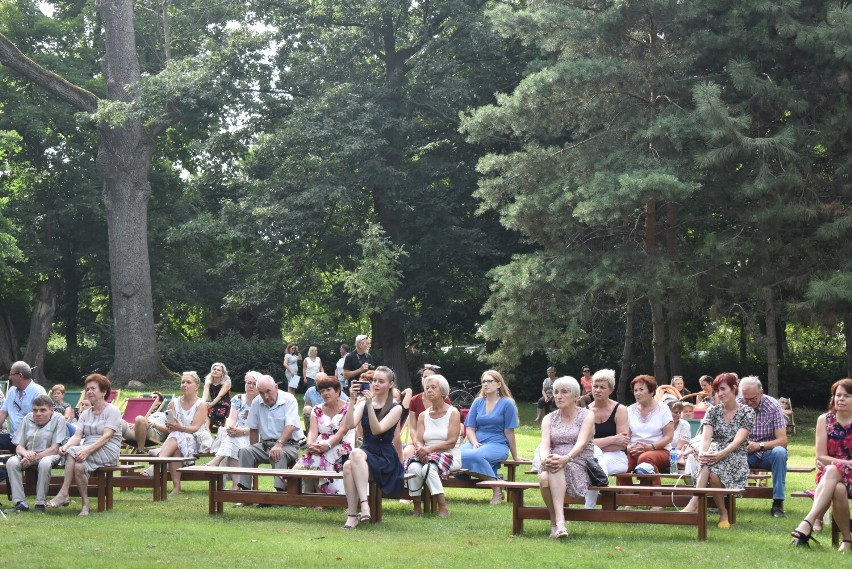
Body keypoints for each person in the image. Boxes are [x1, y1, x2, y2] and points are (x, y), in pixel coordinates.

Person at [682, 373, 754, 528]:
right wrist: (702, 452)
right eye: (716, 391)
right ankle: (722, 513)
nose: (719, 394)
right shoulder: (712, 411)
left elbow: (738, 441)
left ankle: (694, 503)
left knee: (711, 466)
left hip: (735, 455)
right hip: (714, 452)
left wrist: (720, 454)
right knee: (710, 466)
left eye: (723, 389)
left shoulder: (747, 412)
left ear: (734, 388)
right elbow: (706, 438)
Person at [790, 378, 852, 551]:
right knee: (837, 487)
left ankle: (807, 522)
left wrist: (833, 463)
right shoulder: (824, 420)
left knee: (832, 469)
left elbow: (826, 460)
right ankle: (847, 540)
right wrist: (847, 462)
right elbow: (821, 456)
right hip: (830, 477)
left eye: (846, 396)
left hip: (845, 476)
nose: (840, 399)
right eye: (837, 395)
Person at [47, 374, 121, 516]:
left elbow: (107, 436)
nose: (89, 391)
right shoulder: (86, 414)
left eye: (93, 388)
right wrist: (66, 446)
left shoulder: (113, 411)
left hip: (108, 450)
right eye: (87, 389)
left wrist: (86, 450)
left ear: (104, 391)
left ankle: (63, 493)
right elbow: (77, 436)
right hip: (86, 450)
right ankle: (85, 504)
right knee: (79, 466)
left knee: (73, 453)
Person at [340, 366, 404, 528]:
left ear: (391, 384)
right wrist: (352, 400)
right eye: (374, 380)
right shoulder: (362, 402)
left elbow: (377, 430)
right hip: (366, 452)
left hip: (384, 456)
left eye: (381, 381)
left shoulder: (396, 408)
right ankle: (356, 513)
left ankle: (359, 509)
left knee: (353, 456)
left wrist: (369, 406)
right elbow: (349, 425)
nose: (375, 384)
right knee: (349, 464)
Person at [538, 376, 595, 538]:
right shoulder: (549, 418)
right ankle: (559, 523)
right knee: (546, 473)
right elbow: (545, 445)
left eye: (564, 392)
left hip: (578, 461)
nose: (558, 396)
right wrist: (544, 459)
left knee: (546, 476)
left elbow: (582, 443)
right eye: (556, 392)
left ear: (576, 396)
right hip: (554, 461)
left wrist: (566, 458)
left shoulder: (587, 415)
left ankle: (556, 523)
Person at [460, 370, 522, 505]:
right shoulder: (478, 402)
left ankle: (496, 491)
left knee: (476, 456)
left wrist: (515, 456)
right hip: (475, 442)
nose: (486, 384)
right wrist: (475, 442)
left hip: (497, 444)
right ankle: (497, 484)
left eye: (489, 381)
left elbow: (509, 432)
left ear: (499, 384)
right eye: (483, 382)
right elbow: (470, 428)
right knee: (456, 455)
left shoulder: (507, 403)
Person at [405, 374, 461, 517]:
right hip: (427, 455)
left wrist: (428, 450)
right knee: (413, 467)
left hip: (449, 456)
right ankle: (417, 507)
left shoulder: (453, 413)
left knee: (428, 468)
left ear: (443, 391)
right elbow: (418, 440)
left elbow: (452, 441)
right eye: (427, 388)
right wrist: (420, 450)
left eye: (433, 387)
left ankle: (443, 507)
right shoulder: (423, 415)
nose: (429, 390)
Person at [237, 375, 304, 494]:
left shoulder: (289, 399)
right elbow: (253, 428)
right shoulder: (257, 401)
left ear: (276, 387)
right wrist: (254, 447)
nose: (266, 397)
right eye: (262, 393)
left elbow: (291, 426)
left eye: (268, 391)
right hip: (265, 444)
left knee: (278, 454)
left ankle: (280, 492)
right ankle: (245, 492)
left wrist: (279, 444)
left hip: (288, 445)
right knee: (245, 451)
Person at [3, 395, 66, 514]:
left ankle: (40, 504)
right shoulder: (27, 418)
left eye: (43, 410)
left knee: (44, 463)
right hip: (29, 454)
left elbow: (54, 448)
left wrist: (34, 457)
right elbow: (19, 446)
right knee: (11, 462)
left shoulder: (58, 418)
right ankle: (20, 503)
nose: (38, 414)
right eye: (35, 410)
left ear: (51, 410)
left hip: (49, 454)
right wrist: (26, 454)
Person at [294, 373, 354, 495]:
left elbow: (343, 431)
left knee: (323, 455)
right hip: (321, 444)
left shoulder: (348, 407)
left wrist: (327, 445)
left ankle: (329, 495)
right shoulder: (317, 409)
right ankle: (318, 496)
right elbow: (312, 431)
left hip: (343, 443)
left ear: (337, 391)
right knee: (314, 455)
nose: (325, 393)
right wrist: (310, 445)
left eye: (328, 390)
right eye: (322, 391)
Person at [738, 375, 788, 517]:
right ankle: (724, 499)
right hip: (744, 453)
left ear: (761, 392)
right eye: (745, 398)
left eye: (753, 398)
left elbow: (783, 440)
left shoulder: (773, 406)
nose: (748, 402)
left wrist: (759, 445)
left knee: (780, 452)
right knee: (726, 454)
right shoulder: (737, 405)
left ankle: (778, 503)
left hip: (768, 453)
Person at [154, 372, 210, 495]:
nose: (184, 385)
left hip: (195, 439)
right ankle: (176, 487)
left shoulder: (201, 405)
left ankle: (157, 463)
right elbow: (171, 429)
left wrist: (180, 427)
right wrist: (171, 426)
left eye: (188, 382)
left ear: (196, 386)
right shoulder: (173, 403)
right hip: (176, 439)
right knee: (176, 445)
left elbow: (195, 428)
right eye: (183, 382)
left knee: (178, 435)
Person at [206, 372, 261, 488]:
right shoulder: (238, 399)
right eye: (248, 383)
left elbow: (260, 427)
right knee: (233, 440)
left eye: (254, 384)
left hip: (255, 435)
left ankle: (217, 461)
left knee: (234, 440)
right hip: (237, 434)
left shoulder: (262, 402)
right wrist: (230, 427)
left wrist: (243, 431)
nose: (250, 386)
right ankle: (237, 485)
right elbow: (231, 418)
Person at [584, 368, 629, 508]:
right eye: (595, 386)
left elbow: (622, 444)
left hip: (617, 457)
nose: (597, 390)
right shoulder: (585, 411)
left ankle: (589, 508)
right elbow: (583, 443)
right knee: (594, 465)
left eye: (602, 387)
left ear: (611, 390)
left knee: (593, 468)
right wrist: (612, 439)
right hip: (592, 457)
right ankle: (604, 502)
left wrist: (595, 444)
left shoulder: (620, 409)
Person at [623, 375, 674, 476]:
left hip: (660, 450)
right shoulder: (629, 410)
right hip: (634, 450)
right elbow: (625, 436)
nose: (637, 393)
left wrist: (650, 447)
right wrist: (629, 448)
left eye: (641, 389)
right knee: (620, 462)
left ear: (651, 391)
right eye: (635, 390)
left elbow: (669, 437)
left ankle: (655, 491)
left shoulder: (663, 409)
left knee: (645, 459)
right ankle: (626, 491)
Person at [0, 361, 48, 452]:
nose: (10, 377)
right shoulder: (11, 391)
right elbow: (3, 413)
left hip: (31, 440)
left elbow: (45, 418)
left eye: (11, 374)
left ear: (20, 375)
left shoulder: (38, 392)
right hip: (13, 438)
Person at [202, 362, 232, 430]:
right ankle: (207, 430)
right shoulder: (208, 382)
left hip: (224, 403)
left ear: (222, 373)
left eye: (218, 370)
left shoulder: (226, 382)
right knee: (203, 407)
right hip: (213, 402)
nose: (215, 371)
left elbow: (220, 396)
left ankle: (217, 427)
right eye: (214, 369)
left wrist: (211, 404)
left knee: (209, 408)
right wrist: (203, 403)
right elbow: (205, 394)